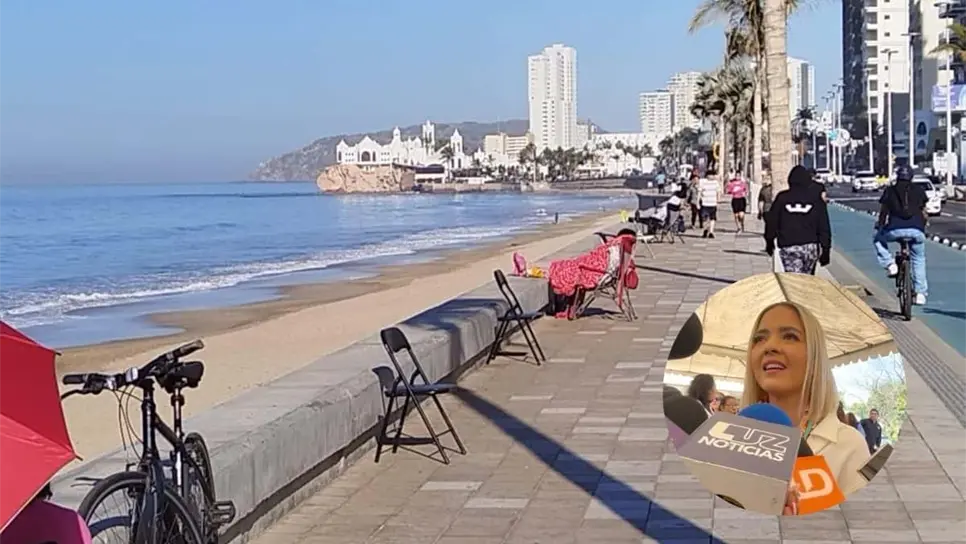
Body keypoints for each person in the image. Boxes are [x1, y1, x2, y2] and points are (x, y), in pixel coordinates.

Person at [741, 302, 870, 505]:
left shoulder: (848, 445)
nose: (770, 347)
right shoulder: (730, 436)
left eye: (790, 336)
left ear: (814, 355)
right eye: (759, 339)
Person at [874, 164, 929, 305]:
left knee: (878, 240)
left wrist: (880, 226)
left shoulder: (890, 191)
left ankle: (890, 264)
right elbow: (924, 212)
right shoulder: (919, 190)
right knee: (918, 259)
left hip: (894, 230)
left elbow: (883, 212)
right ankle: (920, 293)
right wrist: (923, 225)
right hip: (916, 230)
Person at [765, 165, 832, 275]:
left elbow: (772, 221)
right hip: (810, 247)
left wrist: (769, 241)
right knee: (807, 279)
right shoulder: (815, 199)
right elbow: (824, 226)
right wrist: (826, 249)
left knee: (794, 281)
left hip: (789, 245)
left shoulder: (782, 198)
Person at [698, 170, 721, 239]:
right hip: (705, 203)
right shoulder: (702, 182)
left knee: (712, 218)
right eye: (710, 175)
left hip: (713, 203)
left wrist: (718, 200)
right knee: (704, 218)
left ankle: (711, 232)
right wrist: (698, 202)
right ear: (707, 175)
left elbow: (718, 192)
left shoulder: (716, 183)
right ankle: (705, 229)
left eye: (713, 175)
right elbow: (699, 192)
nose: (712, 176)